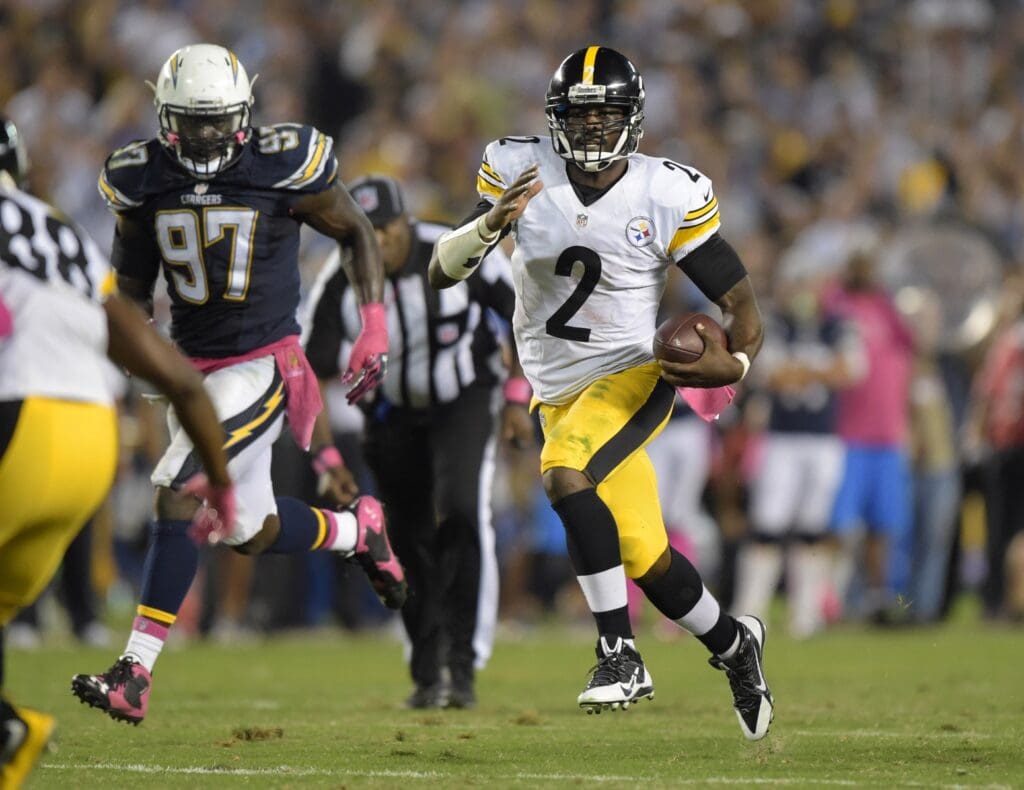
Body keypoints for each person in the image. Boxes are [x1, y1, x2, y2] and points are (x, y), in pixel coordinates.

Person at [429, 46, 773, 740]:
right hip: (554, 392)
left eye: (604, 116)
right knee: (645, 556)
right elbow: (442, 271)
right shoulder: (518, 170)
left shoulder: (664, 191)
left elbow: (743, 308)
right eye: (578, 117)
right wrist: (491, 223)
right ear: (555, 119)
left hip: (631, 372)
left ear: (633, 118)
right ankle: (738, 646)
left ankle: (618, 653)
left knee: (564, 475)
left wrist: (733, 367)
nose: (590, 131)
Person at [71, 44, 405, 726]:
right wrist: (135, 354)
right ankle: (356, 532)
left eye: (217, 122)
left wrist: (373, 324)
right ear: (165, 117)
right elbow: (132, 288)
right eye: (191, 123)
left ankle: (134, 672)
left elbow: (358, 232)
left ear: (245, 114)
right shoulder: (140, 179)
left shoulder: (284, 163)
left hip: (263, 363)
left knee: (178, 486)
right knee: (248, 528)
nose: (204, 137)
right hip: (190, 370)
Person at [0, 114, 232, 787]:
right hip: (88, 439)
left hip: (18, 416)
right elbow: (170, 370)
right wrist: (221, 480)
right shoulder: (57, 230)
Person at [305, 175, 516, 709]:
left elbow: (523, 312)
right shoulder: (338, 276)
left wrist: (517, 395)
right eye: (366, 231)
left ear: (408, 222)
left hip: (463, 400)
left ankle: (462, 668)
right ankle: (427, 674)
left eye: (386, 229)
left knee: (462, 513)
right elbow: (305, 373)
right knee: (407, 538)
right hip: (391, 416)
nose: (377, 241)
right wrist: (327, 456)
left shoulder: (453, 247)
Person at [732, 265, 862, 637]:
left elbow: (850, 370)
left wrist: (801, 371)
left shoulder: (839, 325)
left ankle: (806, 615)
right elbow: (770, 374)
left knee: (813, 530)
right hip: (781, 439)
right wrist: (819, 371)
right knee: (767, 527)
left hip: (823, 440)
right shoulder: (777, 323)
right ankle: (751, 610)